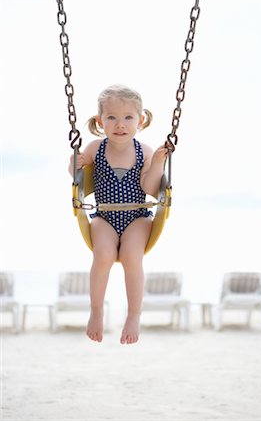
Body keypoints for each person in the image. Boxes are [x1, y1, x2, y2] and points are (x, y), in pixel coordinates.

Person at [69, 84, 168, 344]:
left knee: (130, 256)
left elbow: (149, 188)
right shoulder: (94, 148)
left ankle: (134, 315)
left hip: (138, 217)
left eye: (128, 117)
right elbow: (79, 179)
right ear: (101, 121)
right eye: (111, 117)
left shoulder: (144, 151)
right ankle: (96, 311)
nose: (120, 124)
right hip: (104, 216)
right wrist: (75, 162)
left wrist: (157, 163)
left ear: (140, 120)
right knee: (103, 255)